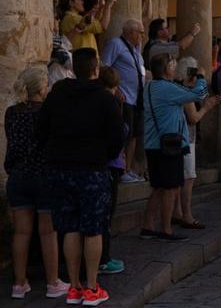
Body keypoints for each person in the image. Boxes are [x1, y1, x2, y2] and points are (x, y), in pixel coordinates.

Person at [38, 48, 125, 306]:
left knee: (71, 227)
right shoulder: (103, 98)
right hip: (92, 170)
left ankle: (74, 286)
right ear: (95, 68)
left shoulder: (57, 95)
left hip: (61, 169)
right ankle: (91, 286)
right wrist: (101, 155)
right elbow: (117, 137)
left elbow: (41, 130)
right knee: (93, 229)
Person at [6, 67, 69, 299]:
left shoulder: (12, 113)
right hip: (45, 175)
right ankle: (53, 283)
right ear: (41, 88)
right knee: (48, 231)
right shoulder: (48, 113)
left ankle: (19, 283)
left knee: (21, 232)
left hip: (19, 175)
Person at [140, 53, 208, 243]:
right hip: (168, 146)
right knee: (170, 188)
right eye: (173, 64)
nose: (175, 66)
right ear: (167, 68)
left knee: (159, 188)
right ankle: (166, 229)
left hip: (154, 144)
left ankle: (148, 226)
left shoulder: (151, 86)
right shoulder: (166, 88)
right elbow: (199, 94)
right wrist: (201, 77)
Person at [173, 57, 220, 229]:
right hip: (185, 139)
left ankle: (177, 212)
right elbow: (193, 118)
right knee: (188, 178)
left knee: (181, 179)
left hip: (177, 138)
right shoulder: (185, 92)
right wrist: (207, 107)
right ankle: (186, 215)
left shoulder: (176, 87)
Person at [101, 19, 147, 184]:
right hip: (125, 97)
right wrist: (115, 88)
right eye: (139, 32)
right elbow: (104, 66)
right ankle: (120, 169)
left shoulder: (136, 49)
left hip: (137, 98)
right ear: (129, 32)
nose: (142, 35)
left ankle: (127, 169)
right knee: (124, 134)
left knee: (134, 134)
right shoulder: (116, 44)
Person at [96, 67, 127, 276]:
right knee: (105, 215)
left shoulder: (94, 102)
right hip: (109, 164)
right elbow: (119, 134)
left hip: (98, 163)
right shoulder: (111, 104)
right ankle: (103, 259)